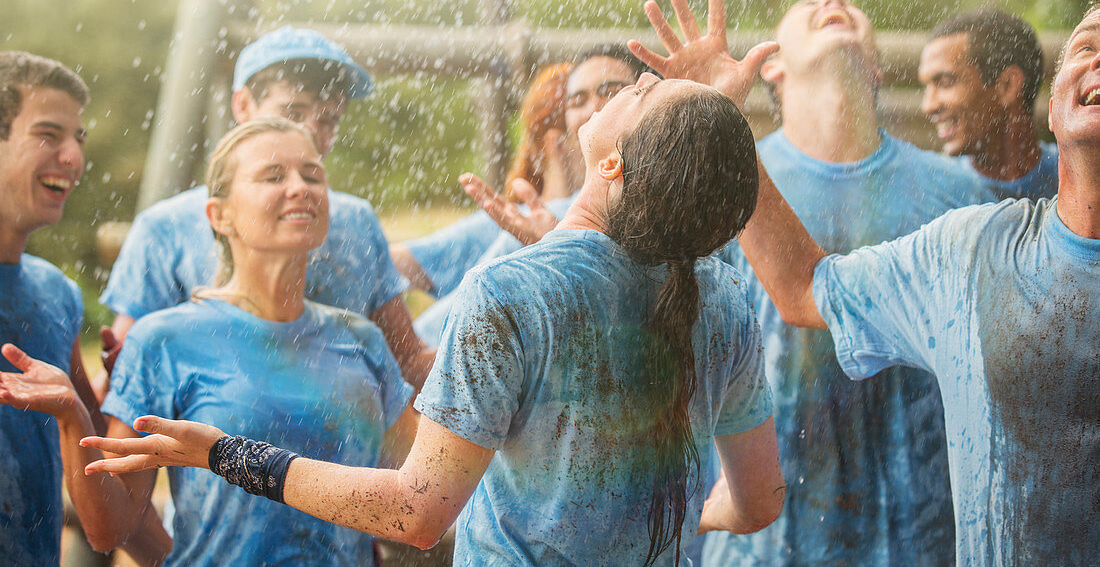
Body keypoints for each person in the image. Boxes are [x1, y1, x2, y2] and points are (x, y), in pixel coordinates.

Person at [82, 69, 787, 565]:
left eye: (644, 95)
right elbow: (758, 502)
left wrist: (225, 452)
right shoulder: (724, 303)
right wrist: (663, 509)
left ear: (614, 169)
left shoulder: (514, 291)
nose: (638, 79)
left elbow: (414, 514)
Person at [636, 0, 1100, 563]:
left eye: (848, 5)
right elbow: (695, 339)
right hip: (768, 547)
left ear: (877, 68)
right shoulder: (719, 188)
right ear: (771, 69)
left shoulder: (966, 201)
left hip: (921, 543)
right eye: (808, 6)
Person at [0, 118, 416, 565]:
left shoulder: (363, 342)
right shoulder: (164, 341)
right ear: (220, 215)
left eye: (313, 175)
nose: (300, 187)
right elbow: (109, 529)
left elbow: (423, 492)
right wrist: (73, 418)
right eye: (274, 176)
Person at [100, 27, 432, 387]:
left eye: (328, 121)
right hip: (214, 434)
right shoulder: (166, 227)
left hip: (345, 428)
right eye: (293, 112)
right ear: (243, 105)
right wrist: (122, 370)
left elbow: (408, 358)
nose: (309, 133)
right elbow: (126, 375)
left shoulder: (356, 222)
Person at [408, 46, 648, 346]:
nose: (593, 110)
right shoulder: (527, 221)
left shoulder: (547, 218)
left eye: (610, 91)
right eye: (577, 100)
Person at [0, 51, 106, 565]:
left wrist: (129, 382)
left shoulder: (56, 292)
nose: (73, 158)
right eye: (49, 134)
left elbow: (90, 439)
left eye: (78, 139)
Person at [389, 62, 574, 295]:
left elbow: (391, 263)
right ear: (554, 143)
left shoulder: (503, 222)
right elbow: (394, 262)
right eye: (579, 103)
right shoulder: (498, 224)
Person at [919, 10, 1058, 199]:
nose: (928, 106)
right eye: (926, 87)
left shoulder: (1083, 174)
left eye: (945, 82)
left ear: (1007, 86)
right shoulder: (933, 194)